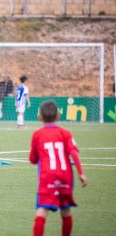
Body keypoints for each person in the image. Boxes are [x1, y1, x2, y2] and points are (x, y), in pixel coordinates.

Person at [30, 101, 87, 236]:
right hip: (66, 177)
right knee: (66, 211)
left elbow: (32, 159)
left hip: (47, 176)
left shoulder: (37, 134)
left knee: (42, 211)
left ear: (40, 117)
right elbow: (74, 153)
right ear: (58, 116)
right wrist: (81, 174)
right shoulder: (66, 133)